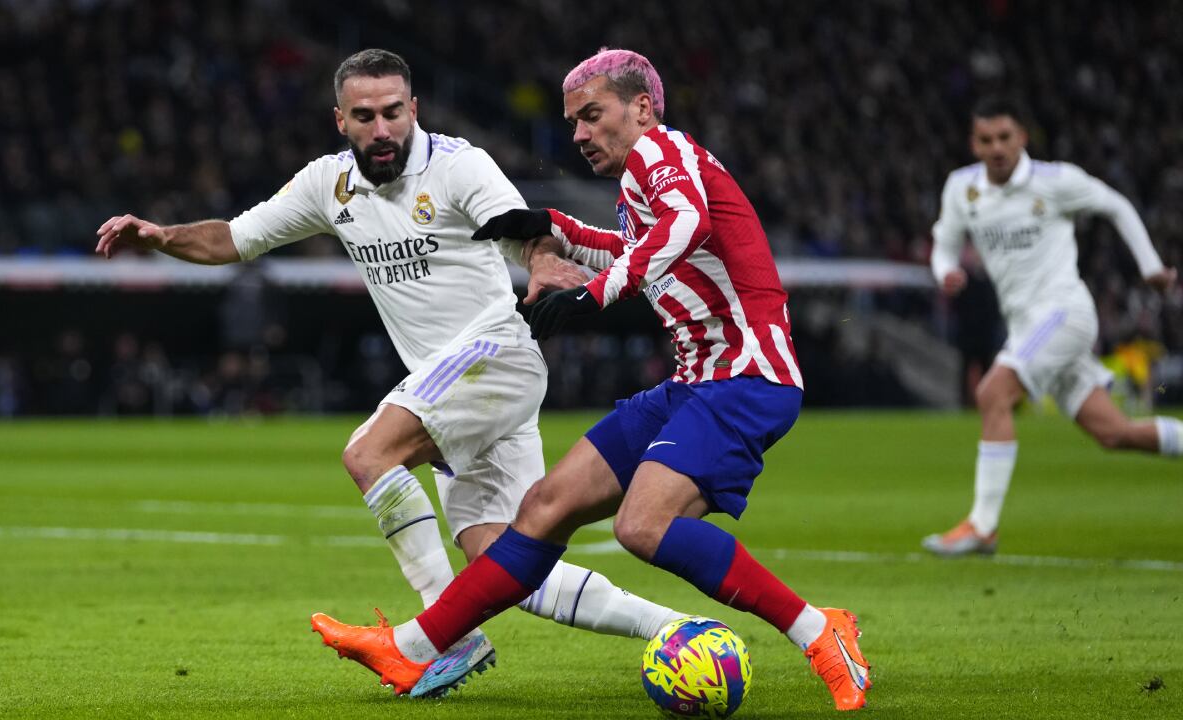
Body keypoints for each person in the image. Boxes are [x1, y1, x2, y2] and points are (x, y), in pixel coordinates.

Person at [95, 48, 690, 699]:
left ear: (414, 109)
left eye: (391, 112)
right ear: (340, 120)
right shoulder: (329, 185)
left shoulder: (458, 165)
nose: (381, 128)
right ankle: (681, 628)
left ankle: (443, 641)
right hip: (460, 386)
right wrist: (160, 237)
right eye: (364, 115)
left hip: (493, 353)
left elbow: (522, 227)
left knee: (368, 452)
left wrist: (541, 261)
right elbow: (235, 238)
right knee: (507, 564)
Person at [310, 48, 872, 712]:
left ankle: (819, 630)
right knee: (544, 508)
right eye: (573, 121)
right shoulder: (646, 181)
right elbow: (639, 242)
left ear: (642, 108)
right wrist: (557, 228)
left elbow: (686, 229)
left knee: (642, 525)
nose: (577, 135)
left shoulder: (670, 159)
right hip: (694, 384)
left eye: (590, 116)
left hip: (746, 377)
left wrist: (594, 295)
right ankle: (412, 649)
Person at [922, 96, 1181, 557]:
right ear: (974, 143)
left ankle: (982, 527)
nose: (997, 147)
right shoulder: (961, 188)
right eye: (987, 139)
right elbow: (943, 244)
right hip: (1027, 327)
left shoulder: (1055, 180)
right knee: (1114, 432)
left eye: (1006, 137)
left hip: (1064, 312)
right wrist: (945, 273)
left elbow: (1116, 205)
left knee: (992, 393)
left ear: (1022, 137)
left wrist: (1151, 267)